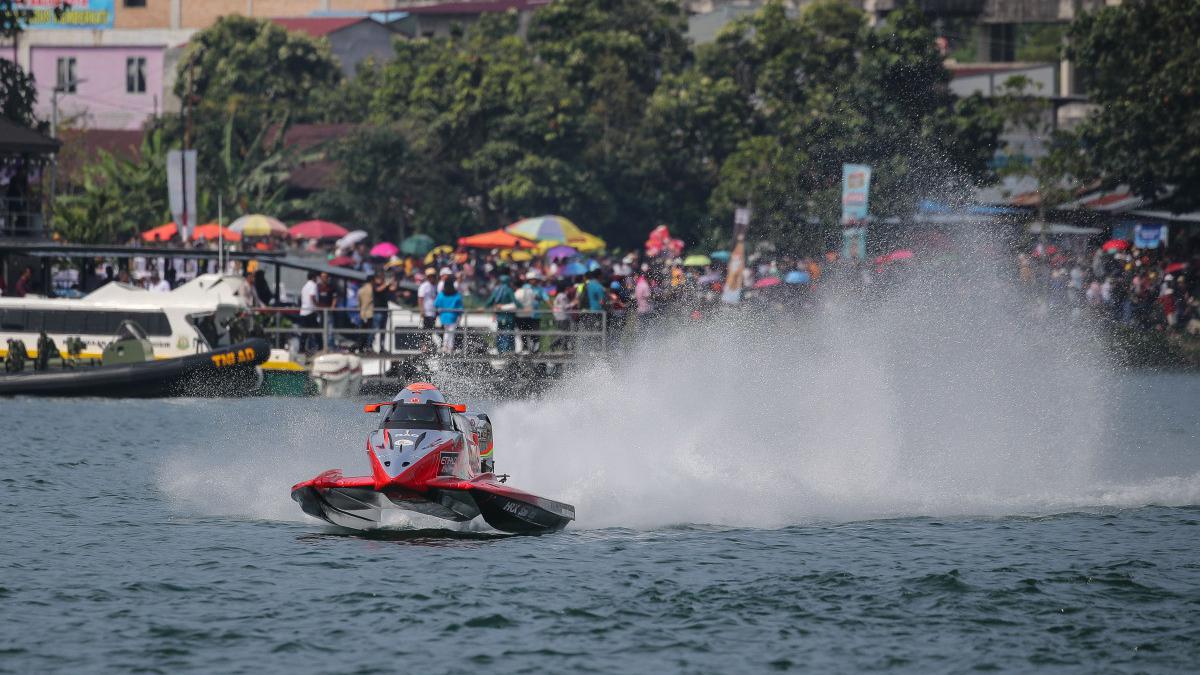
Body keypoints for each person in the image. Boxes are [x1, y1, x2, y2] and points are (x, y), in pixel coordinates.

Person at [486, 275, 517, 353]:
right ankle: (507, 350)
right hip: (508, 316)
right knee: (508, 334)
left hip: (500, 316)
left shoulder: (497, 290)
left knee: (500, 333)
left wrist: (485, 307)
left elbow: (490, 301)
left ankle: (500, 350)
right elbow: (516, 303)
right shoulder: (509, 290)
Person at [434, 278, 464, 354]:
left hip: (443, 316)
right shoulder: (456, 294)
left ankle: (445, 347)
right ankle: (449, 348)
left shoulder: (441, 294)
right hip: (453, 316)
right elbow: (460, 307)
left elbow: (436, 304)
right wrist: (460, 315)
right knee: (450, 332)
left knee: (447, 331)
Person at [298, 271, 321, 353]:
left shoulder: (304, 286)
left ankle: (301, 349)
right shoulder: (313, 285)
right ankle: (321, 348)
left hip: (303, 311)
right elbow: (312, 296)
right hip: (310, 311)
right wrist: (317, 306)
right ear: (314, 277)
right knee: (318, 331)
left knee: (304, 332)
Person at [418, 267, 438, 351]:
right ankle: (424, 347)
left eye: (433, 276)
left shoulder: (435, 286)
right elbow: (420, 298)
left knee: (430, 330)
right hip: (426, 312)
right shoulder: (424, 286)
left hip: (433, 312)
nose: (431, 278)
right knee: (425, 330)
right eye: (430, 276)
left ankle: (428, 346)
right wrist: (422, 310)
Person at [357, 273, 376, 351]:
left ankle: (361, 347)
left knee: (362, 332)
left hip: (362, 313)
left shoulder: (360, 290)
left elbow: (359, 302)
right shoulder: (372, 290)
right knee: (370, 332)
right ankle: (369, 347)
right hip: (370, 313)